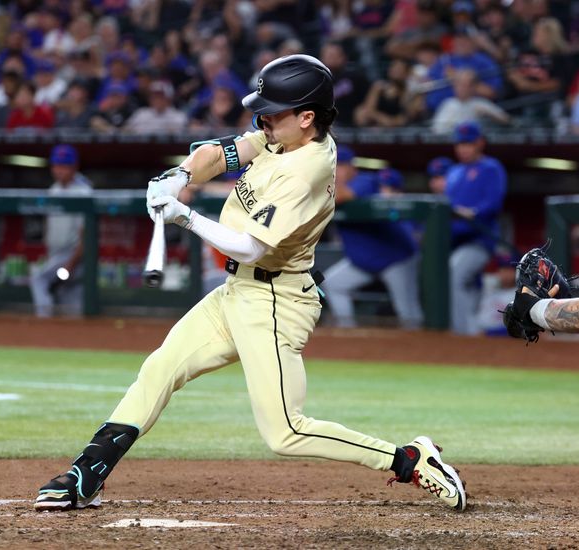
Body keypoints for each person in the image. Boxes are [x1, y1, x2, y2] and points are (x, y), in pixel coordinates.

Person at [34, 54, 466, 513]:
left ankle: (409, 460)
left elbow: (249, 248)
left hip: (276, 301)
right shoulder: (283, 137)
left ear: (307, 117)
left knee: (285, 432)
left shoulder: (307, 170)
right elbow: (219, 152)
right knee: (160, 369)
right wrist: (179, 176)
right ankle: (89, 472)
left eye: (275, 111)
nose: (263, 119)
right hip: (236, 293)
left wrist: (183, 215)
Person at [324, 155, 423, 328]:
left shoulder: (365, 181)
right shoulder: (327, 187)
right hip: (364, 261)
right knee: (334, 284)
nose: (337, 170)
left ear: (352, 168)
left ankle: (426, 350)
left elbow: (339, 196)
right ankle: (348, 333)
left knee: (407, 313)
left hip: (395, 258)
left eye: (341, 166)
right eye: (334, 165)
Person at [446, 121, 507, 335]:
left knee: (454, 273)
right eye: (460, 144)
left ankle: (463, 333)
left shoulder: (491, 167)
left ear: (479, 143)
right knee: (464, 284)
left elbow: (493, 204)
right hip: (454, 241)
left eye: (469, 143)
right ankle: (470, 329)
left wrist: (471, 212)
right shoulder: (454, 171)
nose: (463, 148)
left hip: (479, 239)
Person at [29, 145, 93, 318]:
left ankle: (44, 320)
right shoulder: (53, 189)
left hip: (73, 257)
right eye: (56, 165)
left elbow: (86, 235)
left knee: (38, 278)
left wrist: (71, 263)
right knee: (71, 309)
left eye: (64, 165)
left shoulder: (83, 192)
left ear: (74, 167)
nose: (59, 170)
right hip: (56, 255)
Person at [431, 69, 510, 135]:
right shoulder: (448, 103)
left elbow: (506, 120)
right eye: (458, 84)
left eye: (465, 85)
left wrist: (489, 114)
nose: (461, 88)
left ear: (473, 87)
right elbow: (436, 129)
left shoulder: (480, 103)